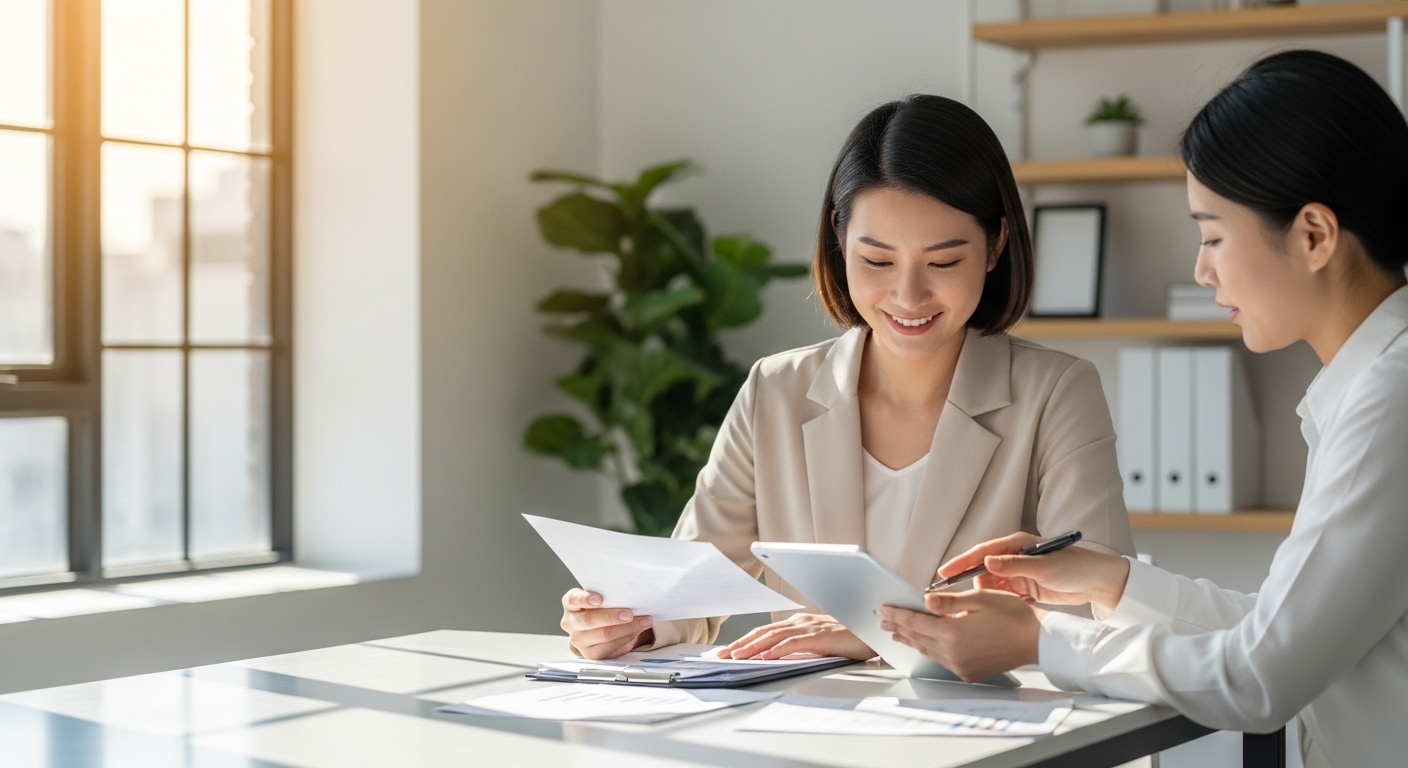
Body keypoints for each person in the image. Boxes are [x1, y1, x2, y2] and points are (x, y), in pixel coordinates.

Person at [878, 51, 1408, 767]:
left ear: (1314, 236)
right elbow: (1285, 631)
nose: (1201, 269)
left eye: (1214, 235)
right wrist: (1111, 580)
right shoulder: (1370, 388)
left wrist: (1041, 641)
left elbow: (1261, 678)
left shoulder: (1389, 400)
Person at [562, 95, 1135, 662]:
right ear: (840, 242)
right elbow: (691, 588)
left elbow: (1095, 609)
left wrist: (879, 636)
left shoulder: (1057, 393)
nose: (908, 296)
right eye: (878, 261)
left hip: (985, 732)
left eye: (943, 262)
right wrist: (627, 625)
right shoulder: (776, 390)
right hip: (809, 733)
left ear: (996, 246)